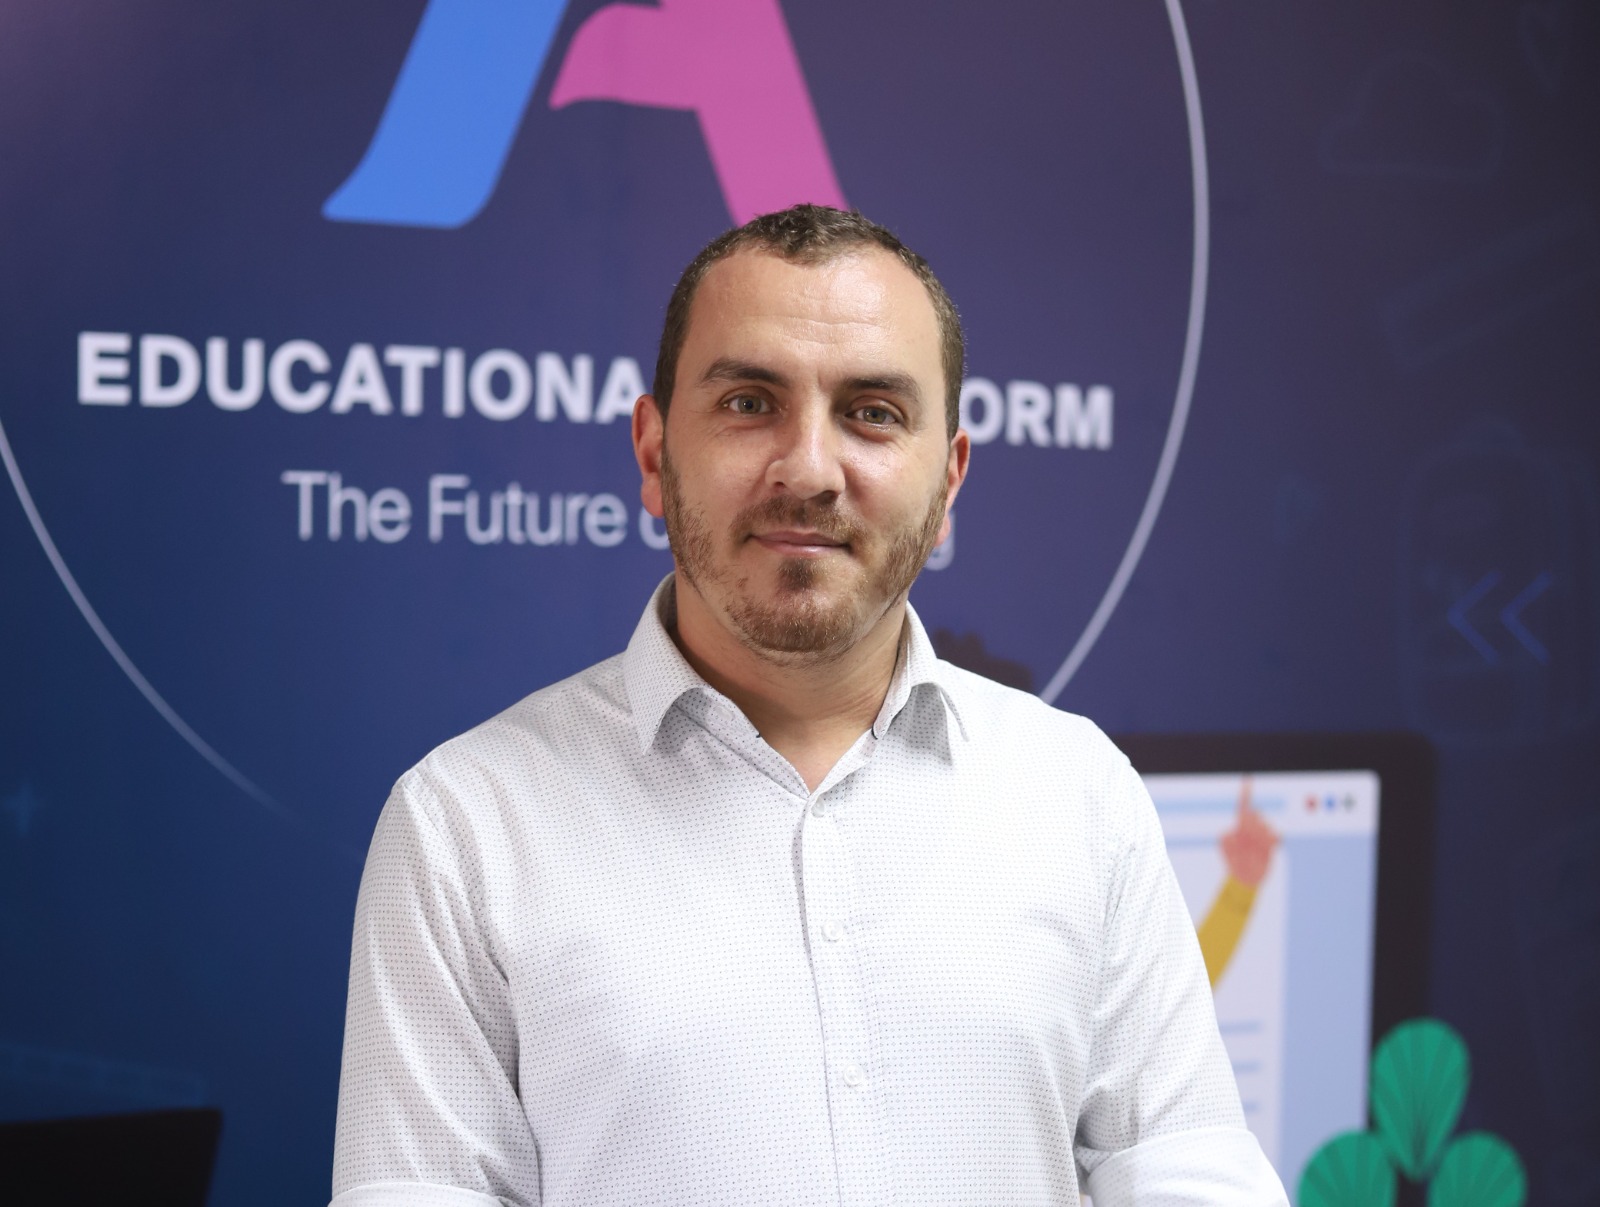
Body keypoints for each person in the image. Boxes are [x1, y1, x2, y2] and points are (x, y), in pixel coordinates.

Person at [330, 205, 1288, 1206]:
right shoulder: (465, 825)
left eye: (872, 413)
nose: (810, 470)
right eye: (749, 403)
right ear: (653, 455)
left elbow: (1187, 1171)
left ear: (949, 480)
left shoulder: (1079, 793)